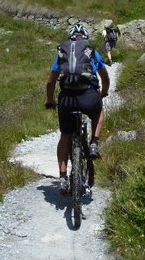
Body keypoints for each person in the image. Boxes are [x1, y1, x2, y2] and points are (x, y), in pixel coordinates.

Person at [45, 23, 110, 194]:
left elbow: (51, 81)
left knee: (65, 136)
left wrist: (50, 100)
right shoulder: (91, 51)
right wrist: (103, 92)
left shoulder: (62, 52)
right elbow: (105, 76)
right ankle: (94, 143)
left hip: (66, 99)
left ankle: (63, 177)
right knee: (99, 111)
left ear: (71, 37)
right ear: (86, 37)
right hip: (87, 97)